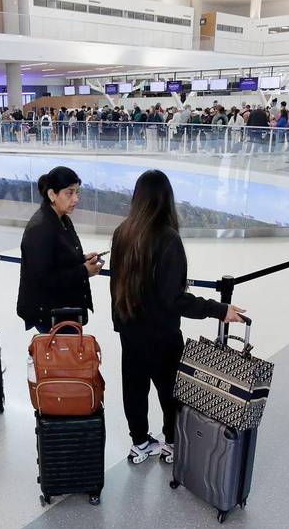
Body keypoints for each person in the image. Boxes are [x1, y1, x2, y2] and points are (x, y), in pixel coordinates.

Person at [110, 170, 244, 465]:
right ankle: (172, 441)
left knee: (133, 387)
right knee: (170, 389)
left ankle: (140, 441)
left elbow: (115, 284)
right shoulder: (167, 239)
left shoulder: (122, 232)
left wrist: (120, 324)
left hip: (131, 330)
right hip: (161, 333)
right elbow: (174, 299)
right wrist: (219, 309)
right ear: (166, 200)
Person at [16, 167, 101, 333]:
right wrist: (83, 271)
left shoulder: (62, 219)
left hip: (65, 310)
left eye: (77, 192)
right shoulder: (40, 228)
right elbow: (43, 278)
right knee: (59, 358)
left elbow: (57, 258)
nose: (76, 199)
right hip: (51, 315)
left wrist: (81, 259)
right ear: (52, 195)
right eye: (69, 193)